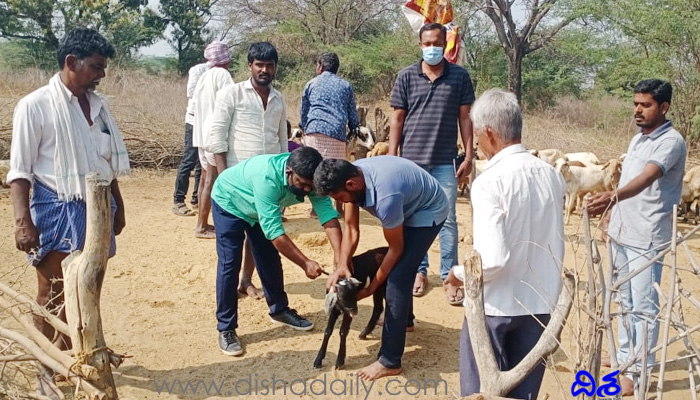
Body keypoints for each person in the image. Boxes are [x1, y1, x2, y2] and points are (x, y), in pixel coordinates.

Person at [7, 28, 130, 393]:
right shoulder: (35, 105)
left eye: (103, 67)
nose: (101, 74)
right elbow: (19, 171)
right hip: (55, 205)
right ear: (70, 63)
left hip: (98, 206)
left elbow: (104, 161)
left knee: (88, 286)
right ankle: (46, 368)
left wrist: (117, 207)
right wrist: (22, 222)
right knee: (53, 290)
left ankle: (69, 356)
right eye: (95, 66)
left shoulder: (99, 107)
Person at [443, 88, 565, 399]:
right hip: (540, 304)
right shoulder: (551, 175)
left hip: (496, 307)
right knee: (524, 392)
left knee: (482, 392)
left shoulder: (489, 181)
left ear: (488, 133)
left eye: (478, 137)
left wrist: (456, 273)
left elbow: (492, 261)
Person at [587, 79, 686, 396]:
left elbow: (646, 179)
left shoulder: (671, 142)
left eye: (645, 105)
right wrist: (610, 217)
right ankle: (622, 358)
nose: (638, 110)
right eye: (635, 105)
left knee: (644, 306)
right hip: (622, 231)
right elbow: (630, 177)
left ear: (664, 107)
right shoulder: (636, 141)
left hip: (647, 236)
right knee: (622, 299)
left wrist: (610, 198)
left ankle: (637, 374)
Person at [314, 155, 448, 380]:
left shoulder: (386, 196)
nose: (339, 202)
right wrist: (341, 266)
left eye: (338, 197)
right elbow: (352, 230)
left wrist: (372, 287)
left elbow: (395, 249)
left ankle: (390, 360)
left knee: (397, 279)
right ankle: (405, 322)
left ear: (351, 185)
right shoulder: (353, 176)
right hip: (408, 202)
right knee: (400, 270)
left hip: (428, 210)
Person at [210, 147, 342, 356]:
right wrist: (305, 263)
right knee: (230, 264)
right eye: (302, 184)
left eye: (311, 186)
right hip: (230, 201)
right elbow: (275, 233)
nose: (307, 191)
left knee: (269, 258)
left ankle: (279, 310)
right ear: (289, 172)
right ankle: (226, 328)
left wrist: (340, 259)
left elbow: (328, 217)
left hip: (259, 210)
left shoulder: (312, 180)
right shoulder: (267, 179)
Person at [388, 22, 475, 303]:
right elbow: (397, 118)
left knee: (447, 219)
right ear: (420, 45)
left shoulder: (459, 77)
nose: (432, 48)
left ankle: (451, 276)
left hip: (444, 161)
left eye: (437, 43)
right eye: (427, 43)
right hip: (411, 162)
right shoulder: (405, 77)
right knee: (413, 219)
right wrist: (392, 156)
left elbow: (465, 118)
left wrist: (470, 155)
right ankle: (419, 271)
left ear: (445, 44)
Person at [206, 41, 287, 299]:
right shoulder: (232, 94)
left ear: (275, 68)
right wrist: (222, 178)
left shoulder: (279, 99)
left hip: (267, 184)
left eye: (269, 66)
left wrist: (282, 187)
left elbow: (282, 142)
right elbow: (217, 137)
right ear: (250, 66)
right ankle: (228, 297)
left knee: (261, 238)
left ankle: (246, 280)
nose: (264, 70)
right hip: (235, 182)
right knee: (231, 247)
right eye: (259, 65)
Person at [300, 52, 360, 215]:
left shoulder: (311, 83)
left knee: (315, 169)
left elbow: (304, 110)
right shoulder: (345, 85)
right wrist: (355, 127)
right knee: (337, 169)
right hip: (336, 132)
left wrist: (303, 127)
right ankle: (339, 207)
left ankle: (316, 209)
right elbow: (352, 112)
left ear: (320, 66)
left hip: (314, 130)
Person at [192, 41, 233, 239]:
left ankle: (203, 222)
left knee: (204, 179)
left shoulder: (205, 76)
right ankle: (201, 226)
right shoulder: (222, 75)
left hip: (201, 134)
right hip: (214, 135)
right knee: (211, 179)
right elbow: (231, 103)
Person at [171, 57, 208, 216]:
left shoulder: (223, 74)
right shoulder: (198, 70)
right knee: (189, 160)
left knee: (203, 162)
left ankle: (196, 200)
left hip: (209, 121)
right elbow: (191, 92)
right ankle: (178, 201)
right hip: (194, 121)